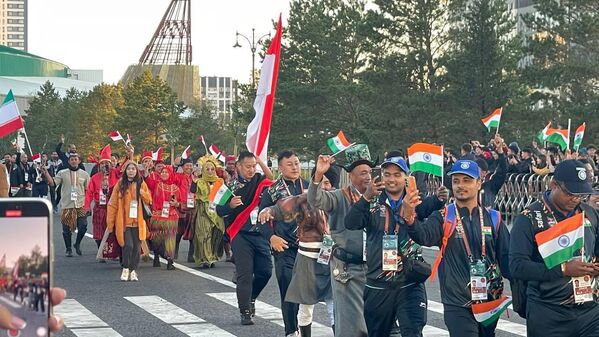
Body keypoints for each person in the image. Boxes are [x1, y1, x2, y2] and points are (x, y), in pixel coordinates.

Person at [403, 160, 510, 337]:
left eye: (467, 180)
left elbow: (508, 261)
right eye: (456, 181)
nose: (460, 185)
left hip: (489, 301)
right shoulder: (444, 216)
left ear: (479, 183)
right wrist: (409, 217)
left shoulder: (494, 218)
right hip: (457, 302)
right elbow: (423, 235)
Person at [345, 156, 433, 337]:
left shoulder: (416, 201)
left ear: (405, 177)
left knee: (413, 332)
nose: (391, 179)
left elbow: (429, 229)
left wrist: (439, 198)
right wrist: (366, 196)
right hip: (378, 283)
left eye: (397, 174)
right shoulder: (371, 201)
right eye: (387, 174)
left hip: (410, 281)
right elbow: (351, 223)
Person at [509, 160, 599, 337]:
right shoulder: (529, 218)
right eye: (570, 193)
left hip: (589, 311)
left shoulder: (590, 214)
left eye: (581, 194)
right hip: (548, 312)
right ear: (554, 185)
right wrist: (564, 269)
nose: (576, 199)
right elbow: (517, 267)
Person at [260, 166, 339, 336]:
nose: (323, 187)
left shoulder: (338, 201)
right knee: (306, 305)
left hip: (331, 259)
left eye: (327, 183)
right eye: (320, 183)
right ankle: (296, 331)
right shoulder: (303, 200)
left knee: (334, 304)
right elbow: (282, 208)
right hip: (307, 258)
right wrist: (269, 211)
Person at [307, 144, 376, 337]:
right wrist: (319, 175)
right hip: (347, 268)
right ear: (351, 176)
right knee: (349, 325)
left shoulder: (378, 197)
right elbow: (315, 201)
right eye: (362, 173)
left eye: (370, 172)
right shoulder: (339, 197)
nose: (368, 177)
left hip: (374, 267)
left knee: (375, 320)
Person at [215, 151, 274, 326]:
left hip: (261, 233)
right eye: (247, 166)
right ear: (238, 166)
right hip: (241, 234)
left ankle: (252, 297)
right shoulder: (230, 186)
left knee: (265, 272)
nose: (251, 169)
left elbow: (272, 178)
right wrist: (229, 206)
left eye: (253, 166)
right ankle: (245, 311)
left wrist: (260, 161)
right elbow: (218, 209)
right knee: (245, 274)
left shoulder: (259, 180)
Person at [257, 150, 309, 337]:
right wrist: (271, 238)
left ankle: (304, 327)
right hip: (284, 247)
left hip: (308, 248)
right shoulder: (272, 191)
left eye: (297, 163)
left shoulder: (309, 187)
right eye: (290, 164)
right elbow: (260, 219)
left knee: (307, 292)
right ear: (280, 167)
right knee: (288, 291)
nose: (295, 167)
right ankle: (290, 330)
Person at [107, 161, 152, 281]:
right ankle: (125, 268)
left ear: (137, 171)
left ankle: (133, 270)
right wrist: (110, 223)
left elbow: (149, 200)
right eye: (128, 169)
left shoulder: (141, 183)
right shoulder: (120, 184)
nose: (131, 171)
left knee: (137, 248)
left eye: (133, 169)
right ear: (125, 171)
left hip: (138, 222)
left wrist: (141, 192)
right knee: (127, 245)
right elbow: (113, 205)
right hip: (124, 222)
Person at [43, 153, 90, 257]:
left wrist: (89, 205)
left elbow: (89, 190)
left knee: (83, 226)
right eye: (71, 159)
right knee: (66, 230)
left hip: (80, 205)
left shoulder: (84, 174)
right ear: (68, 161)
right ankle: (68, 249)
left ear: (79, 161)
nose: (73, 161)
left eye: (75, 159)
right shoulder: (62, 173)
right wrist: (46, 173)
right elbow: (53, 183)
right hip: (67, 205)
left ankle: (77, 244)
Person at [190, 155, 225, 268]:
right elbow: (192, 191)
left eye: (212, 169)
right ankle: (205, 259)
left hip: (216, 211)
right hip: (203, 211)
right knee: (203, 235)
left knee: (215, 235)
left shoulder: (220, 182)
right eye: (207, 169)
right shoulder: (199, 181)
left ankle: (212, 256)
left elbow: (224, 196)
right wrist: (194, 182)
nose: (210, 171)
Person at [146, 165, 182, 270]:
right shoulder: (156, 184)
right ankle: (157, 255)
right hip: (157, 215)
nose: (164, 174)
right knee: (156, 238)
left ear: (171, 174)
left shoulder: (175, 188)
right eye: (162, 172)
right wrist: (146, 169)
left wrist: (177, 204)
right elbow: (147, 180)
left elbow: (179, 202)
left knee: (170, 239)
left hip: (171, 216)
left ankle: (170, 261)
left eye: (167, 172)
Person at [84, 145, 120, 249]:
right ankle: (101, 248)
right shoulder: (95, 178)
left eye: (107, 163)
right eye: (102, 163)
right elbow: (89, 193)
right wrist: (87, 206)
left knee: (114, 230)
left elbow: (126, 167)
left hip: (114, 207)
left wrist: (130, 155)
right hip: (100, 207)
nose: (105, 165)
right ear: (99, 165)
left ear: (111, 164)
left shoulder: (116, 174)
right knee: (98, 231)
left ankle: (112, 250)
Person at [173, 157, 196, 262]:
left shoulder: (195, 178)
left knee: (193, 233)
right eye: (187, 165)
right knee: (178, 232)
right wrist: (175, 166)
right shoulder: (178, 176)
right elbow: (171, 178)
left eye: (191, 165)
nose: (189, 167)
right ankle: (174, 253)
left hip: (192, 208)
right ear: (182, 167)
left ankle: (191, 256)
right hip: (180, 207)